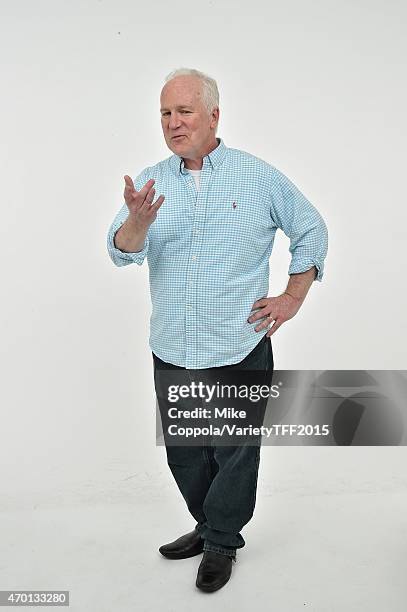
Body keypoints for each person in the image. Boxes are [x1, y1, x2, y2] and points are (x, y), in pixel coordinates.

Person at [106, 67, 328, 593]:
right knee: (185, 451)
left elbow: (311, 228)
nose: (173, 123)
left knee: (233, 450)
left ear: (213, 116)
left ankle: (223, 539)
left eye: (184, 111)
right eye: (165, 113)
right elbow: (120, 250)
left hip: (238, 342)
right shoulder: (151, 181)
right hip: (174, 345)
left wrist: (293, 297)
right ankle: (207, 525)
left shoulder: (257, 176)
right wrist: (137, 222)